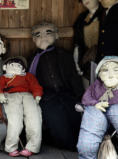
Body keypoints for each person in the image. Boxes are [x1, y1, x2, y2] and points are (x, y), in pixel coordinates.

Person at [27, 22, 85, 151]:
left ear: (56, 35)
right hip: (46, 97)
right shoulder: (32, 59)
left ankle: (81, 144)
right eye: (38, 35)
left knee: (76, 120)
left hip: (67, 93)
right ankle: (69, 145)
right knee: (57, 124)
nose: (43, 37)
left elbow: (74, 77)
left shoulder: (64, 54)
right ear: (33, 39)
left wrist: (81, 97)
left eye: (48, 33)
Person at [77, 56, 118, 159]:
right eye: (105, 70)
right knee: (87, 145)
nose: (110, 75)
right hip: (99, 117)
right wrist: (95, 104)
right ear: (99, 74)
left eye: (115, 70)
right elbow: (86, 98)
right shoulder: (96, 86)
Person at [0, 56, 43, 157]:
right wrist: (0, 95)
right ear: (5, 67)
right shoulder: (3, 78)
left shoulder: (28, 76)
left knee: (34, 118)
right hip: (11, 97)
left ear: (23, 69)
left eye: (19, 65)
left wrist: (37, 95)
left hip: (28, 96)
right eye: (12, 65)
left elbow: (35, 85)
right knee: (14, 120)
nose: (16, 67)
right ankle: (11, 146)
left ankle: (32, 146)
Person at [73, 0, 102, 77]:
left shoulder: (107, 15)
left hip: (103, 53)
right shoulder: (82, 18)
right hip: (87, 54)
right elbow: (78, 40)